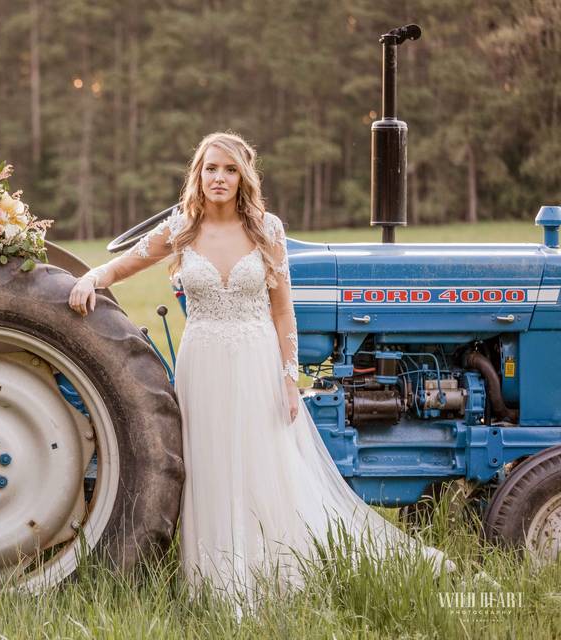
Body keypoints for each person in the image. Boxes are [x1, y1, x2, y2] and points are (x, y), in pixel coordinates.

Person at [68, 132, 453, 612]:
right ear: (198, 174)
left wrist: (289, 377)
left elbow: (283, 312)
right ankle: (213, 583)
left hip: (255, 358)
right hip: (203, 359)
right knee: (208, 464)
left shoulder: (266, 230)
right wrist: (91, 277)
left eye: (229, 170)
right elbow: (126, 263)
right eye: (211, 168)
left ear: (243, 176)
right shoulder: (182, 227)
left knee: (259, 464)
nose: (219, 179)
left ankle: (266, 574)